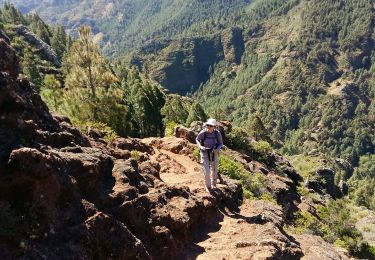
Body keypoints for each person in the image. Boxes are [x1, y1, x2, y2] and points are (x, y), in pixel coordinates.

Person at [196, 118, 223, 192]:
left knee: (214, 169)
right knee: (206, 170)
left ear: (214, 126)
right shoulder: (203, 132)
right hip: (204, 152)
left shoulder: (217, 133)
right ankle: (208, 186)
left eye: (211, 126)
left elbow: (221, 143)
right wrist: (200, 147)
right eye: (208, 125)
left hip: (214, 152)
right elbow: (197, 139)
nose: (209, 127)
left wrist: (217, 149)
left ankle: (214, 184)